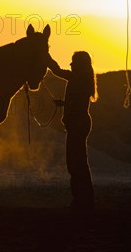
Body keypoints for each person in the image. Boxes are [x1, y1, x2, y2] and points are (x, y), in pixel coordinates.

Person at [47, 51, 98, 210]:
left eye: (73, 62)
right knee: (80, 162)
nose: (71, 65)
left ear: (79, 64)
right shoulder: (84, 80)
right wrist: (63, 104)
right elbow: (77, 101)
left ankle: (80, 201)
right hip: (81, 123)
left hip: (77, 124)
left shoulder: (77, 78)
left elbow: (57, 71)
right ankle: (85, 200)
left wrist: (46, 57)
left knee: (75, 163)